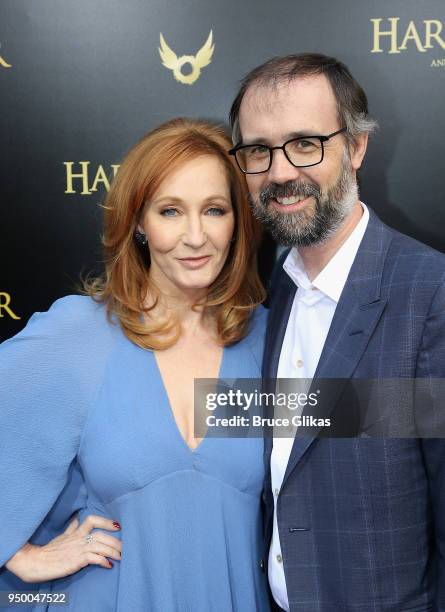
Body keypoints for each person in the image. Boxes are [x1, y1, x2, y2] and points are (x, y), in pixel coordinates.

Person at [0, 118, 272, 611]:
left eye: (214, 210)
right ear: (139, 222)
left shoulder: (271, 342)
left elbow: (382, 429)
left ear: (238, 222)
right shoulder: (80, 335)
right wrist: (17, 555)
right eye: (170, 211)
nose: (195, 236)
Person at [228, 53, 445, 611]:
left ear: (356, 147)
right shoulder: (264, 295)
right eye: (258, 150)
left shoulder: (431, 295)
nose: (279, 173)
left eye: (306, 144)